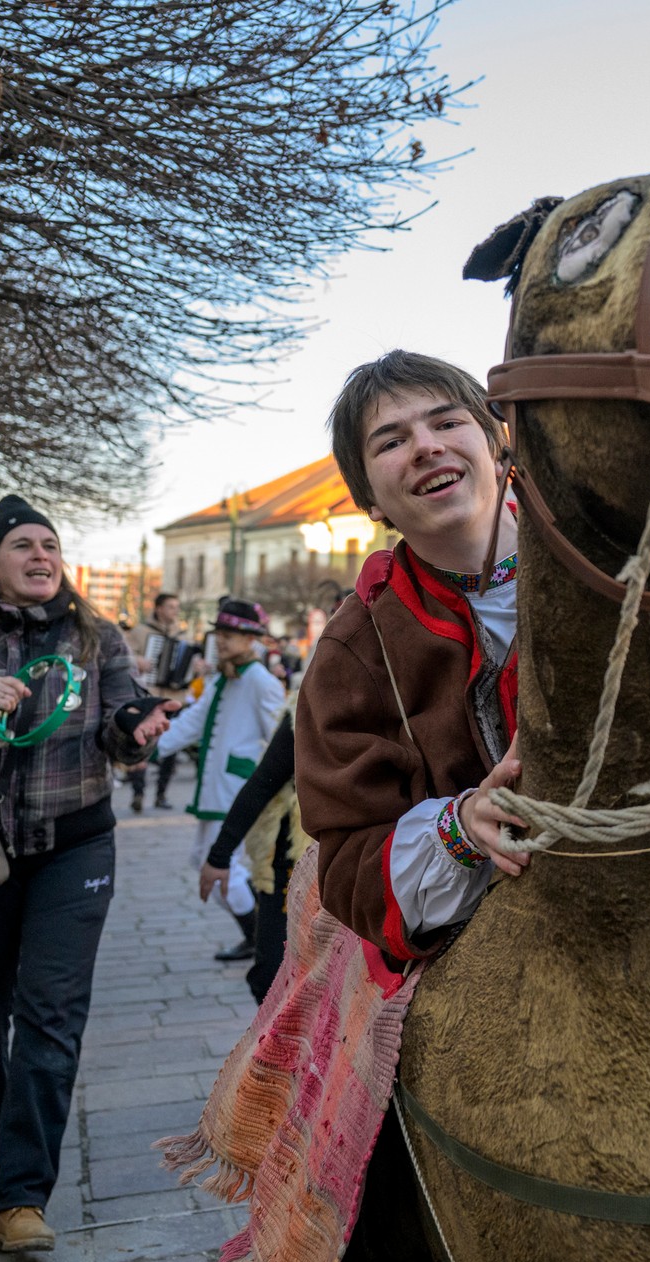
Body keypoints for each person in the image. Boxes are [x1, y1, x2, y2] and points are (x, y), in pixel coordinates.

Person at [0, 494, 179, 1254]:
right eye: (23, 543)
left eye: (50, 543)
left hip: (75, 849)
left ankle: (22, 1198)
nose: (41, 555)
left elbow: (121, 730)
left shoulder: (96, 636)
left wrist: (136, 730)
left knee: (51, 1014)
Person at [296, 350, 527, 967]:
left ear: (497, 443)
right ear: (369, 499)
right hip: (486, 959)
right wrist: (464, 827)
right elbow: (347, 869)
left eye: (447, 422)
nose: (426, 446)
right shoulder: (354, 649)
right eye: (392, 441)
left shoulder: (609, 561)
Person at [156, 597, 285, 961]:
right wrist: (150, 749)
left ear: (251, 639)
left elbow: (280, 740)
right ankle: (261, 939)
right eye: (221, 633)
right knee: (205, 862)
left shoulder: (261, 681)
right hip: (214, 789)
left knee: (221, 869)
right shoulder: (220, 679)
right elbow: (192, 723)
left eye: (232, 634)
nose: (223, 641)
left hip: (235, 791)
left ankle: (263, 941)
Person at [197, 701, 306, 1004]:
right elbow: (263, 781)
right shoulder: (309, 705)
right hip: (295, 857)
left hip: (361, 857)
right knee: (273, 972)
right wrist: (220, 856)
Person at [123, 592, 196, 812]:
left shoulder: (183, 635)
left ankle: (161, 794)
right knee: (142, 743)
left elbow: (189, 664)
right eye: (171, 607)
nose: (175, 611)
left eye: (177, 607)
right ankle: (138, 793)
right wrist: (136, 660)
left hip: (174, 698)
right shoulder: (140, 632)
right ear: (158, 609)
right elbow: (122, 655)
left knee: (171, 747)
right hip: (149, 696)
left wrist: (196, 668)